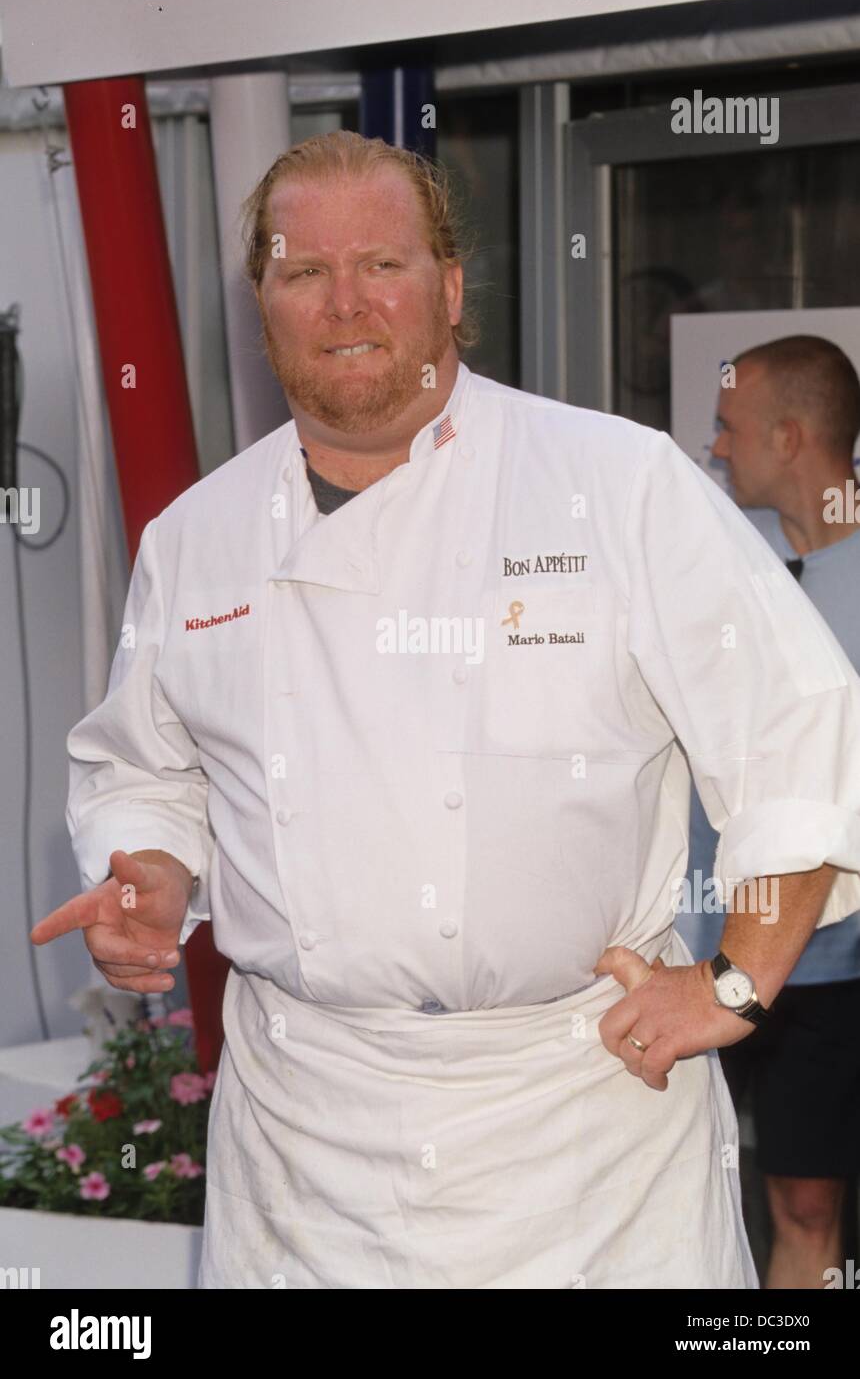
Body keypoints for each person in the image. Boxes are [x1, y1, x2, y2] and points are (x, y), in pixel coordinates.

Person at [31, 132, 860, 1289]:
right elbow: (149, 766)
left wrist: (731, 984)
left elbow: (800, 727)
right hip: (305, 1148)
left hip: (579, 1133)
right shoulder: (196, 539)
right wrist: (158, 871)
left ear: (451, 288)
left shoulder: (614, 485)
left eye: (382, 263)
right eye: (301, 271)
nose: (343, 302)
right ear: (261, 303)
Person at [675, 334, 860, 1289]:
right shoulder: (720, 573)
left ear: (789, 437)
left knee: (805, 1203)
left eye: (728, 428)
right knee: (690, 1195)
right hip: (704, 953)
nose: (714, 449)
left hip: (830, 963)